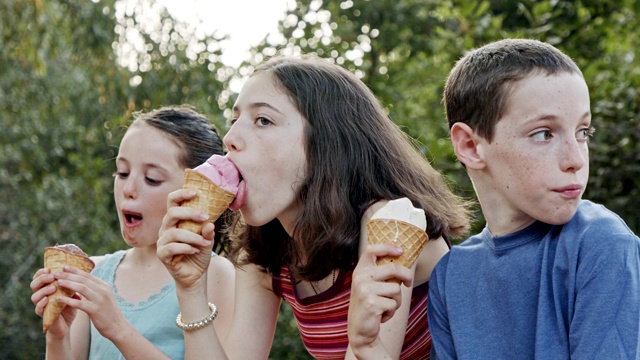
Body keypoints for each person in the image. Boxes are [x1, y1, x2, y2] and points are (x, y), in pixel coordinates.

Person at [156, 54, 471, 359]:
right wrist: (191, 289)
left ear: (325, 143)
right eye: (234, 120)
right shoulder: (264, 251)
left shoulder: (387, 222)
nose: (230, 138)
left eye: (263, 120)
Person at [427, 38, 640, 359]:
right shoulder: (450, 276)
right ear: (470, 146)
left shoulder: (601, 242)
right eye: (544, 133)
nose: (576, 159)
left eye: (583, 132)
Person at [30, 106, 235, 359]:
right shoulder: (94, 272)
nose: (128, 188)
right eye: (123, 172)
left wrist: (118, 329)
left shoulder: (215, 274)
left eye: (151, 178)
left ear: (195, 192)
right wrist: (57, 336)